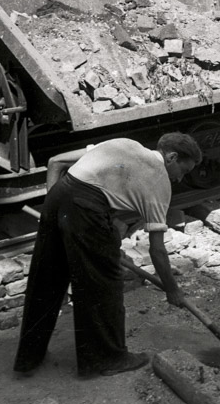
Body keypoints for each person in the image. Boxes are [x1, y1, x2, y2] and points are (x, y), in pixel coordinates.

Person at [13, 133, 203, 377]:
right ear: (172, 157)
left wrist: (56, 212)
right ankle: (105, 359)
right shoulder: (159, 180)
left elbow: (55, 163)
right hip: (86, 209)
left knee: (46, 279)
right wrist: (172, 289)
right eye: (183, 170)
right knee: (103, 284)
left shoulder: (125, 143)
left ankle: (29, 357)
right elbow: (157, 248)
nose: (180, 178)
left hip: (59, 196)